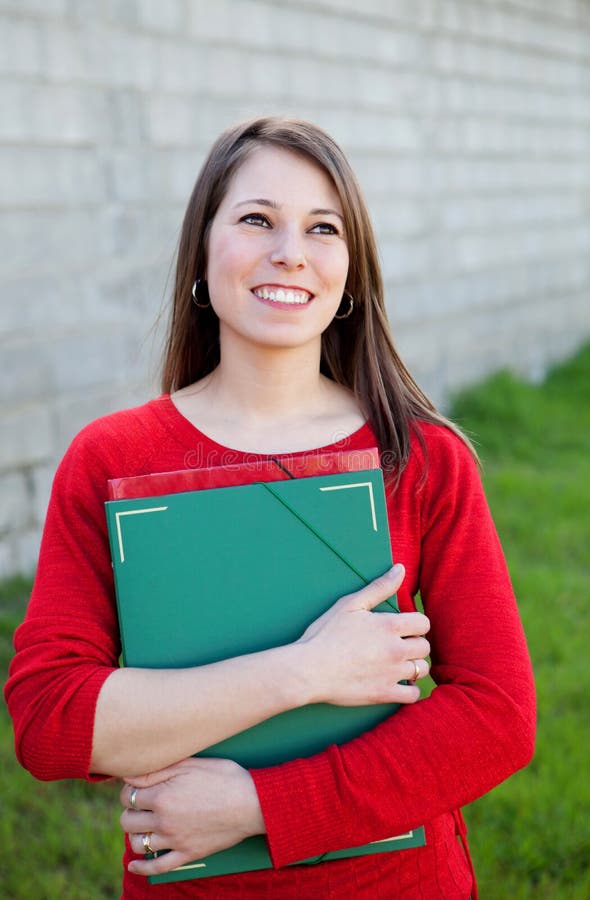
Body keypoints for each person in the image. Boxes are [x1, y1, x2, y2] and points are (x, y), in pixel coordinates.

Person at [5, 116, 535, 899]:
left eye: (323, 228)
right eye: (257, 219)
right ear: (203, 250)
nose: (290, 250)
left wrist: (259, 806)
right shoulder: (112, 460)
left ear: (350, 274)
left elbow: (497, 716)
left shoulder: (423, 458)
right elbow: (51, 723)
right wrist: (306, 671)